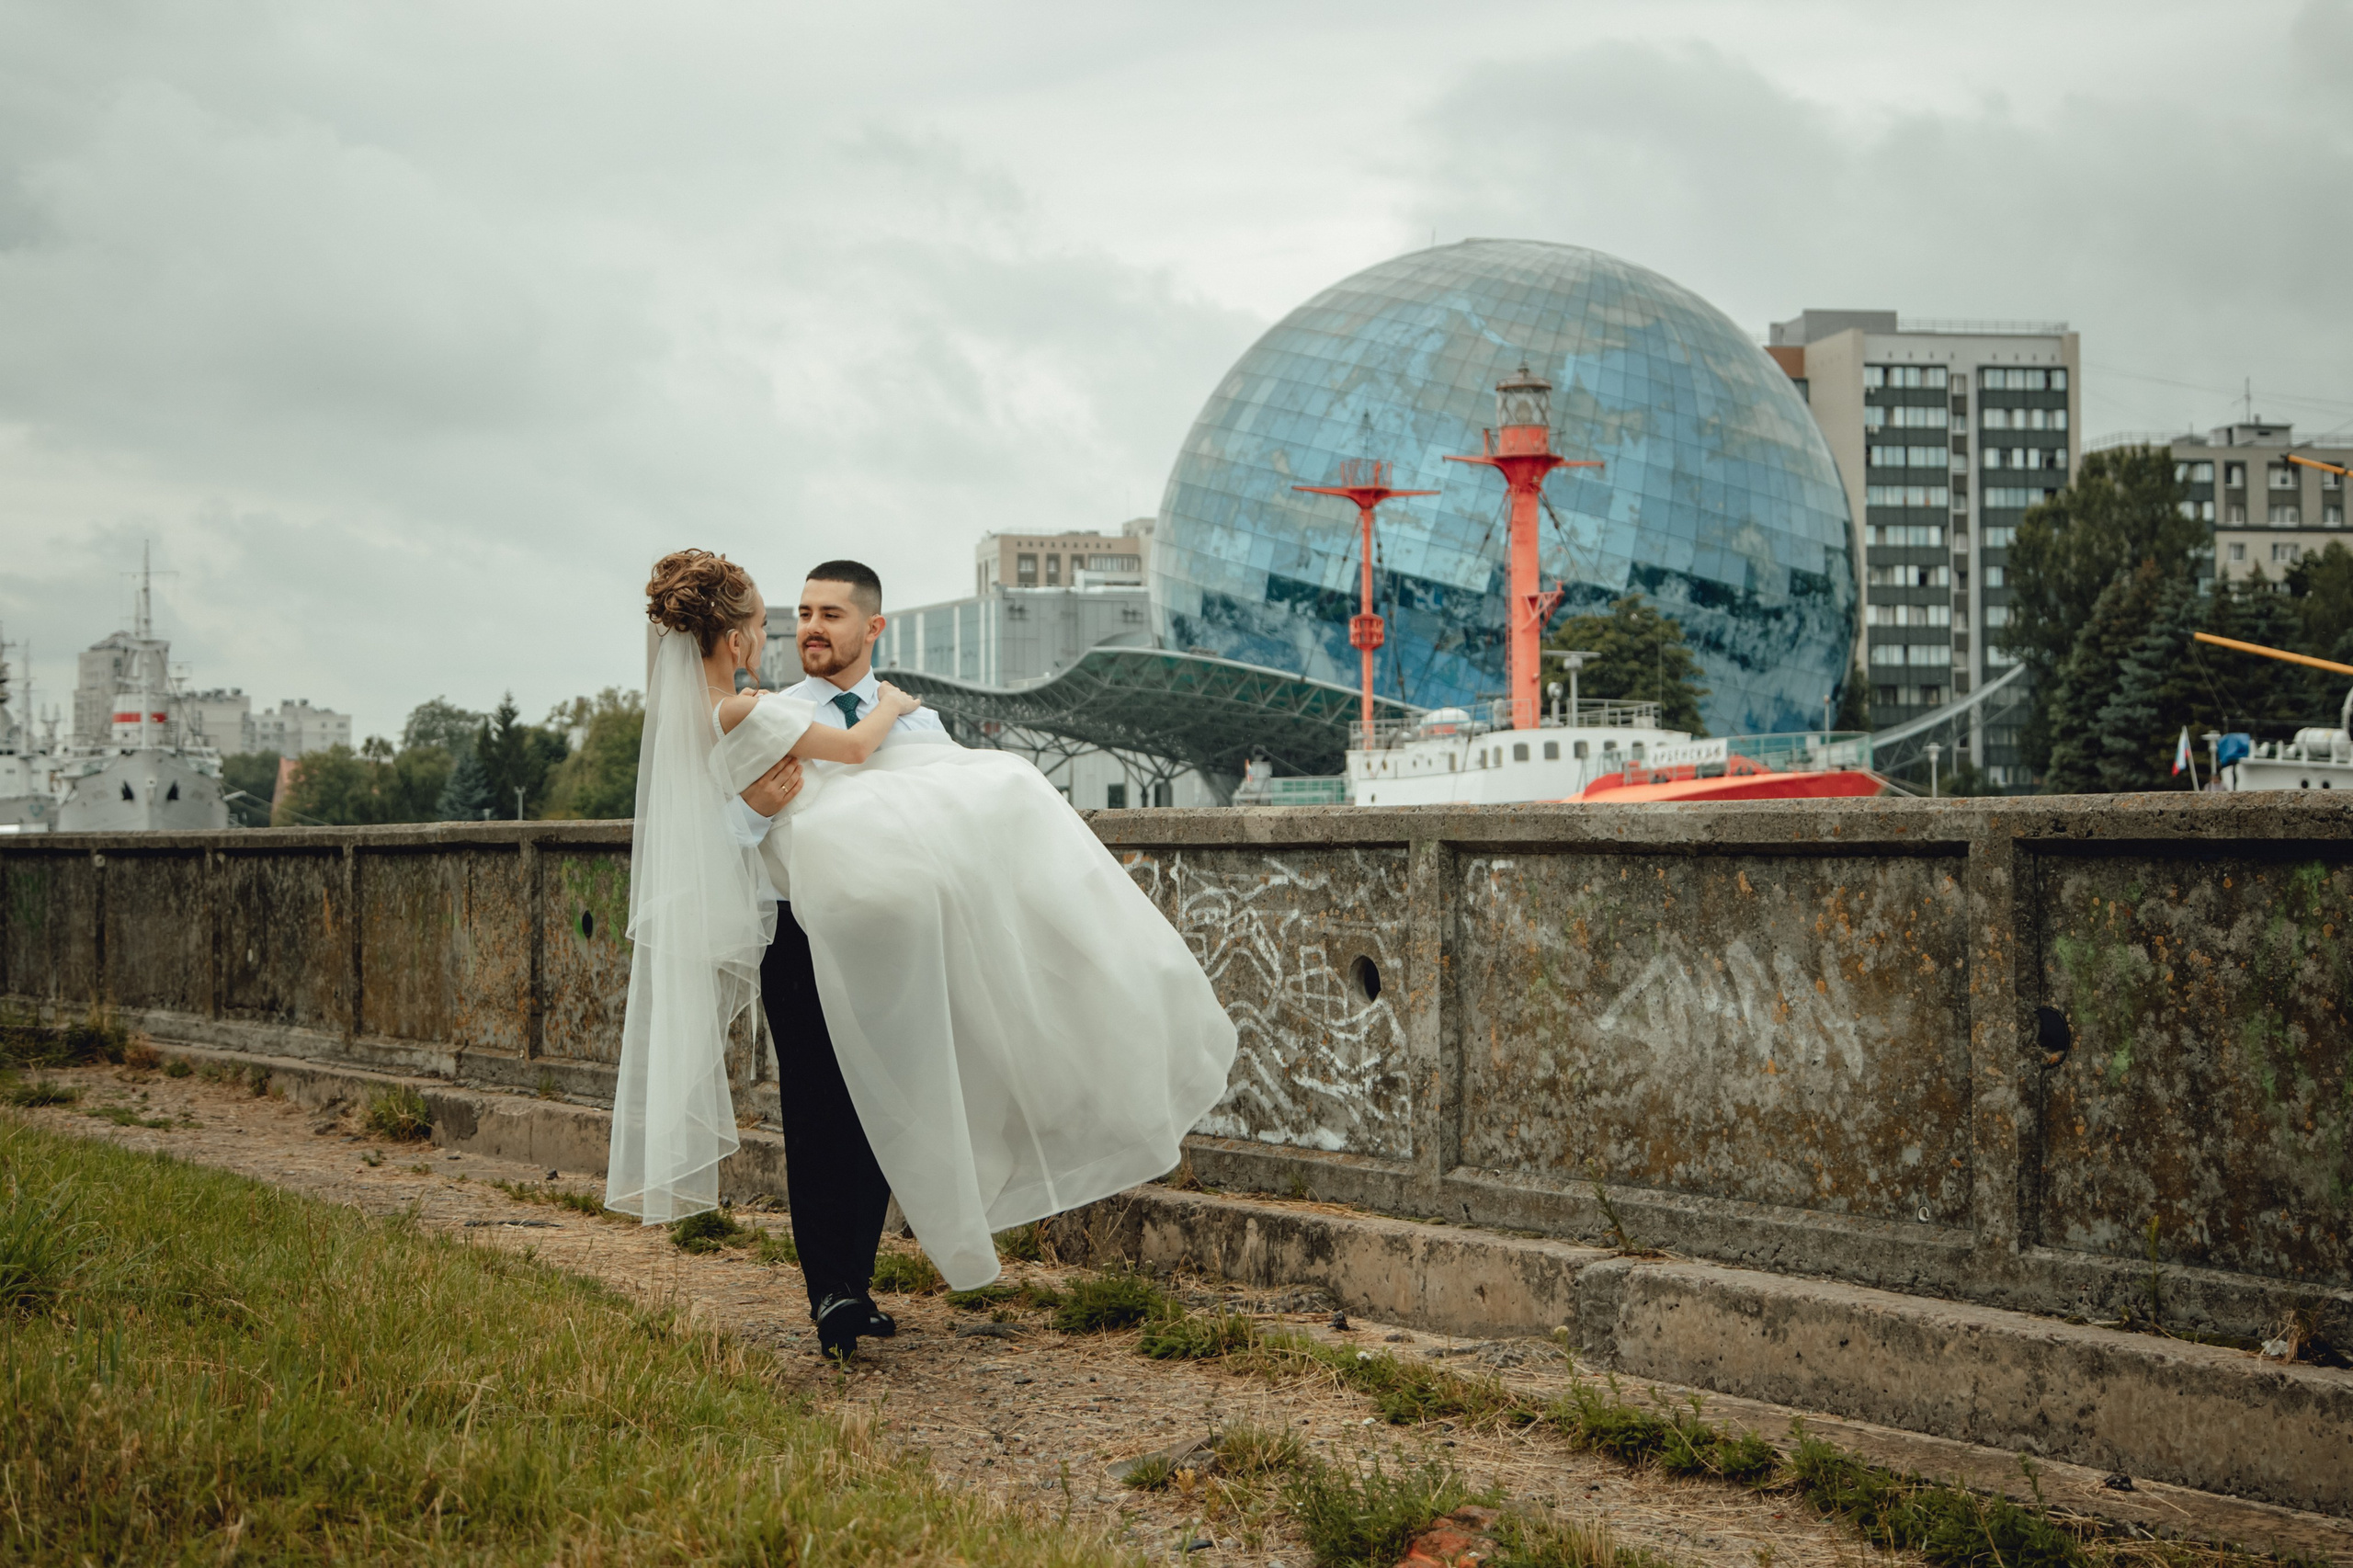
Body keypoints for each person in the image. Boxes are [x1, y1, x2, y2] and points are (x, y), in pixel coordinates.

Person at [611, 550, 1238, 1363]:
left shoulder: (922, 725)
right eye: (797, 615)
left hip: (897, 943)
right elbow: (711, 842)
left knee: (889, 1101)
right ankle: (829, 1288)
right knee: (816, 1104)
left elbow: (952, 834)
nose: (807, 629)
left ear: (870, 627)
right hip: (800, 933)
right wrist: (755, 812)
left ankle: (858, 1280)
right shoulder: (764, 709)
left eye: (826, 615)